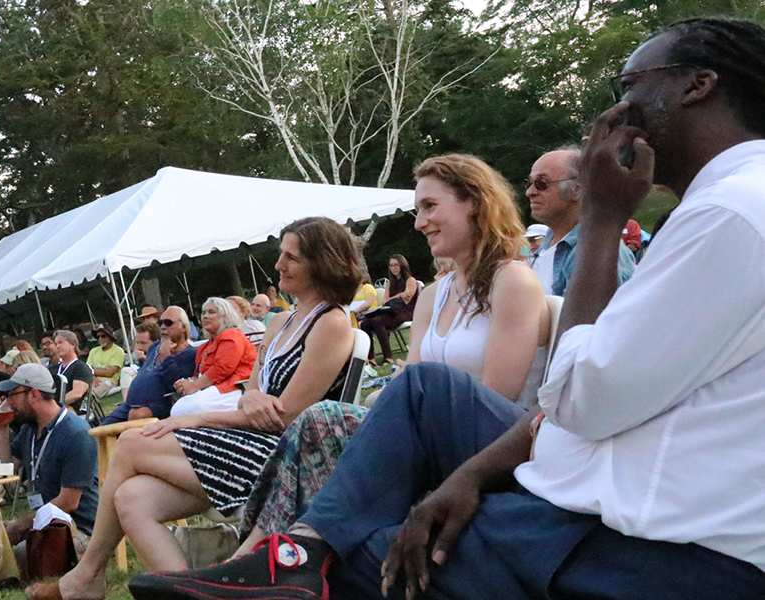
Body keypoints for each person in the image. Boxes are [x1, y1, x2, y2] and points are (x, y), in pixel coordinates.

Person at [131, 18, 765, 600]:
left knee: (365, 546)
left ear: (697, 86)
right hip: (608, 479)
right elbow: (585, 399)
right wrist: (470, 475)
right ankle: (281, 557)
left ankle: (281, 562)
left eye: (628, 87)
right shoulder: (722, 208)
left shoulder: (728, 213)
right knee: (418, 393)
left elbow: (577, 397)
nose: (615, 112)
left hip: (655, 537)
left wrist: (600, 218)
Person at [27, 217, 361, 600]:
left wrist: (198, 417)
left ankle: (86, 578)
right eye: (281, 254)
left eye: (291, 257)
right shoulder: (281, 322)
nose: (278, 264)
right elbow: (250, 394)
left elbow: (286, 418)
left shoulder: (332, 324)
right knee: (131, 498)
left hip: (282, 462)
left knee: (131, 444)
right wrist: (250, 398)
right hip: (248, 444)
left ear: (322, 264)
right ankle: (195, 594)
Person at [236, 153, 549, 551]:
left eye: (430, 206)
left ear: (475, 203)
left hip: (494, 446)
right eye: (419, 210)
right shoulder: (434, 295)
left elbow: (495, 396)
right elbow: (406, 384)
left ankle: (276, 555)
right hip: (429, 438)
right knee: (321, 420)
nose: (419, 222)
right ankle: (265, 551)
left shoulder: (513, 281)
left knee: (329, 419)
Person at [0, 364, 99, 568]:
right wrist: (1, 428)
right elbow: (5, 468)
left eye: (12, 395)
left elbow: (68, 502)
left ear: (33, 394)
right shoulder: (30, 429)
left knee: (3, 559)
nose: (8, 402)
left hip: (77, 532)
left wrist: (21, 526)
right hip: (44, 526)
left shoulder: (76, 434)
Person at [527, 146, 636, 294]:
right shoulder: (547, 245)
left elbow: (591, 309)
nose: (529, 192)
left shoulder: (596, 251)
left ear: (577, 189)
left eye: (541, 183)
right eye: (529, 183)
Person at [102, 307, 197, 424]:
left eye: (168, 323)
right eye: (160, 323)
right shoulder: (155, 347)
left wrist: (166, 357)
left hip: (160, 405)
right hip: (130, 404)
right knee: (101, 429)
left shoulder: (190, 353)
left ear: (184, 327)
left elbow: (175, 384)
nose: (163, 327)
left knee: (137, 415)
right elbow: (146, 371)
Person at [170, 297, 257, 416]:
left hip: (235, 389)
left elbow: (223, 368)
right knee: (180, 408)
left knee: (186, 409)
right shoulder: (205, 346)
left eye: (211, 312)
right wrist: (186, 382)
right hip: (213, 390)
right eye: (203, 313)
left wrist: (194, 386)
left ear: (226, 316)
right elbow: (200, 374)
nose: (205, 316)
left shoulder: (232, 336)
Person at [358, 254, 419, 364]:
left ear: (403, 266)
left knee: (378, 321)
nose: (393, 268)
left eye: (396, 265)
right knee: (365, 323)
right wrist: (400, 295)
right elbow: (384, 300)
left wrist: (396, 297)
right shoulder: (389, 283)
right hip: (390, 310)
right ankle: (371, 358)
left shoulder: (410, 280)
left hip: (405, 311)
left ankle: (388, 357)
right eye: (391, 265)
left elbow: (407, 299)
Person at [53, 330, 93, 411]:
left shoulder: (81, 367)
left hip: (72, 411)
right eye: (56, 344)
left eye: (60, 342)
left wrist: (54, 405)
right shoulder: (53, 369)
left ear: (72, 344)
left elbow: (77, 393)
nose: (57, 346)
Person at [119, 320, 160, 396]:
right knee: (125, 371)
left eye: (143, 343)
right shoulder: (143, 351)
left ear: (155, 342)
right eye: (138, 343)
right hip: (143, 374)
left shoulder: (161, 351)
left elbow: (158, 370)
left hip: (156, 380)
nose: (139, 346)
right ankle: (127, 400)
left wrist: (145, 359)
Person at [87, 324, 125, 399]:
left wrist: (92, 372)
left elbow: (110, 373)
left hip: (108, 381)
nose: (100, 339)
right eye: (98, 337)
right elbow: (87, 368)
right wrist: (93, 377)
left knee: (91, 394)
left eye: (103, 336)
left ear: (110, 337)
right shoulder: (93, 351)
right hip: (92, 379)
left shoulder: (118, 351)